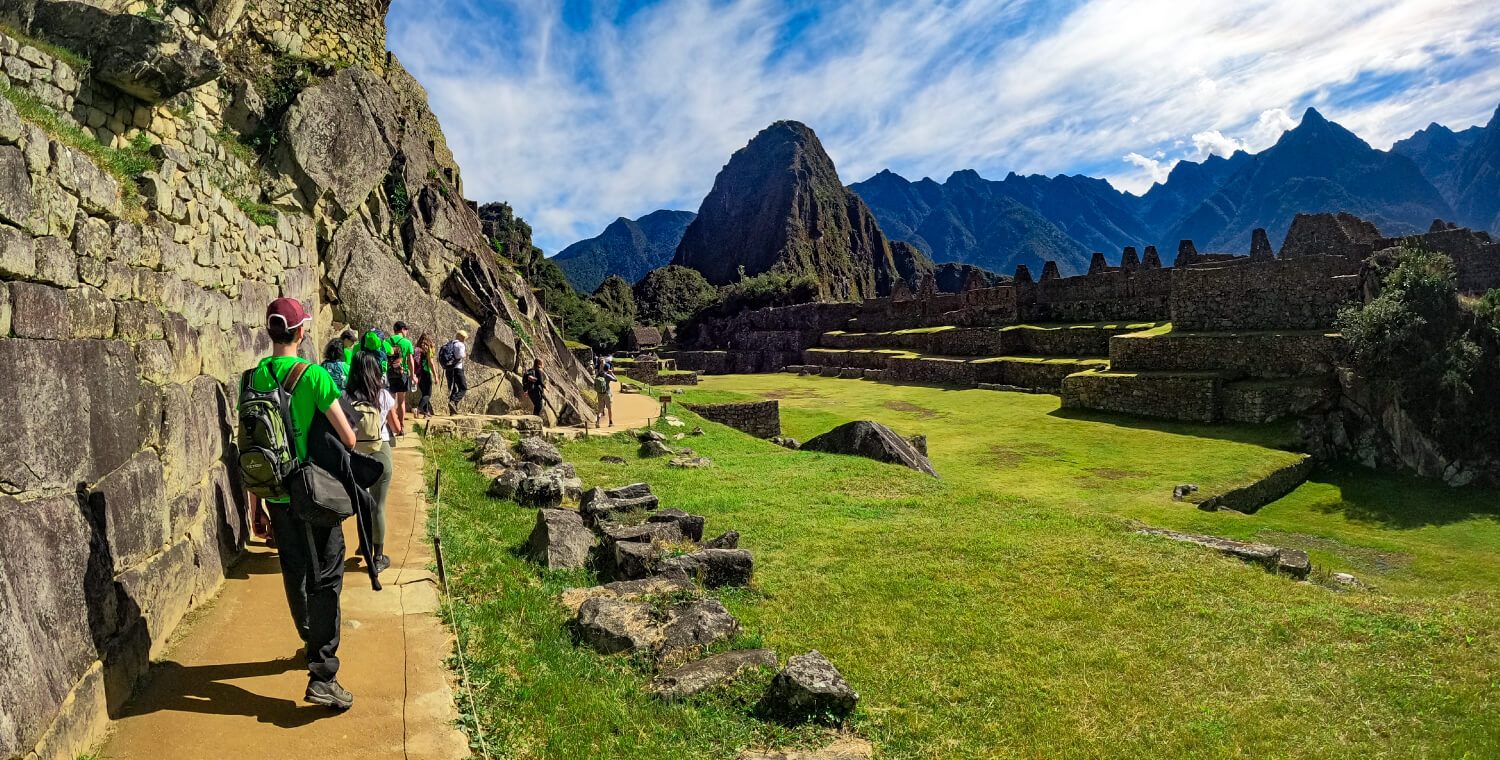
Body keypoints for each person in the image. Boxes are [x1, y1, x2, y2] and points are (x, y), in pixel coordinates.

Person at [242, 298, 358, 710]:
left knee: (294, 570)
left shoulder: (251, 378)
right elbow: (348, 438)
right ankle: (323, 673)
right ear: (301, 332)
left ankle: (310, 639)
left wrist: (256, 508)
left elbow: (254, 447)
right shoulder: (313, 378)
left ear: (270, 333)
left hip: (273, 494)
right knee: (327, 575)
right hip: (312, 494)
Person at [345, 351, 399, 573]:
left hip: (355, 454)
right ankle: (378, 557)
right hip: (380, 451)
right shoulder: (384, 395)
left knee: (362, 503)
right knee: (379, 505)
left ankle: (364, 545)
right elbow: (395, 427)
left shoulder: (345, 396)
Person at [388, 321, 415, 433]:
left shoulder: (387, 341)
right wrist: (412, 375)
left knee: (390, 401)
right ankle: (401, 426)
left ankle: (391, 425)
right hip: (402, 373)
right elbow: (410, 360)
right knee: (401, 401)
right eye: (406, 330)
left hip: (390, 373)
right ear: (402, 329)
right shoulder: (407, 342)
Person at [441, 330, 469, 410]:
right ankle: (453, 401)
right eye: (463, 337)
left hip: (448, 368)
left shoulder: (449, 344)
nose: (464, 339)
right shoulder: (460, 344)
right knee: (463, 388)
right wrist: (465, 355)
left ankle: (453, 409)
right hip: (457, 368)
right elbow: (459, 355)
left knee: (452, 388)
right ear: (459, 336)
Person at [414, 332, 438, 418]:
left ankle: (426, 412)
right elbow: (431, 363)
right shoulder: (428, 350)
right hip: (426, 373)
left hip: (418, 374)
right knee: (428, 394)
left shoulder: (417, 349)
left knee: (424, 393)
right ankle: (419, 408)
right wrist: (436, 376)